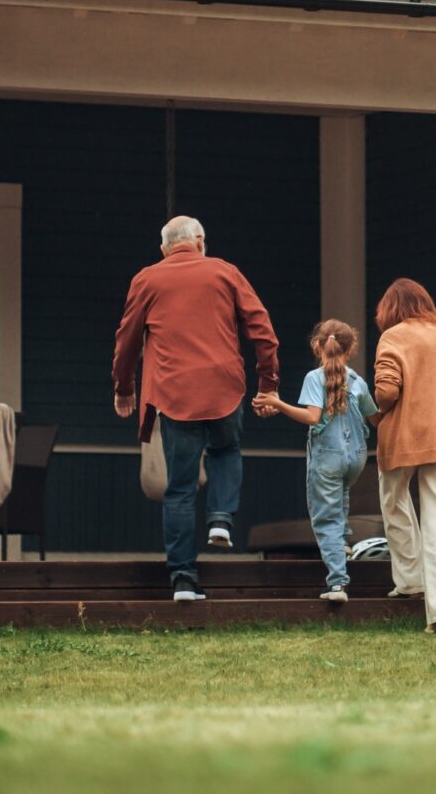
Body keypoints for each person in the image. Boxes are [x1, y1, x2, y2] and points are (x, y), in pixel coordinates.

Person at [114, 216, 279, 602]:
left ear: (164, 250)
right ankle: (221, 518)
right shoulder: (226, 272)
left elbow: (127, 339)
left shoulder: (147, 279)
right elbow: (262, 329)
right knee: (225, 450)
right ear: (201, 241)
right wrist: (268, 383)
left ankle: (183, 579)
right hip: (224, 387)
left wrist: (124, 387)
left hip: (175, 392)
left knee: (180, 488)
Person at [370, 278, 436, 632]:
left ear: (391, 308)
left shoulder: (394, 336)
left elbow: (386, 391)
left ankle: (409, 581)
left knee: (395, 501)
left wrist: (370, 410)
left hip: (403, 438)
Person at [251, 319, 376, 603]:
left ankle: (337, 584)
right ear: (351, 348)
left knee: (325, 519)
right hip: (356, 459)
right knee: (341, 495)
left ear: (317, 346)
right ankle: (341, 542)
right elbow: (374, 415)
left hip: (328, 459)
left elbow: (312, 418)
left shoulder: (314, 378)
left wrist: (278, 403)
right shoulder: (357, 381)